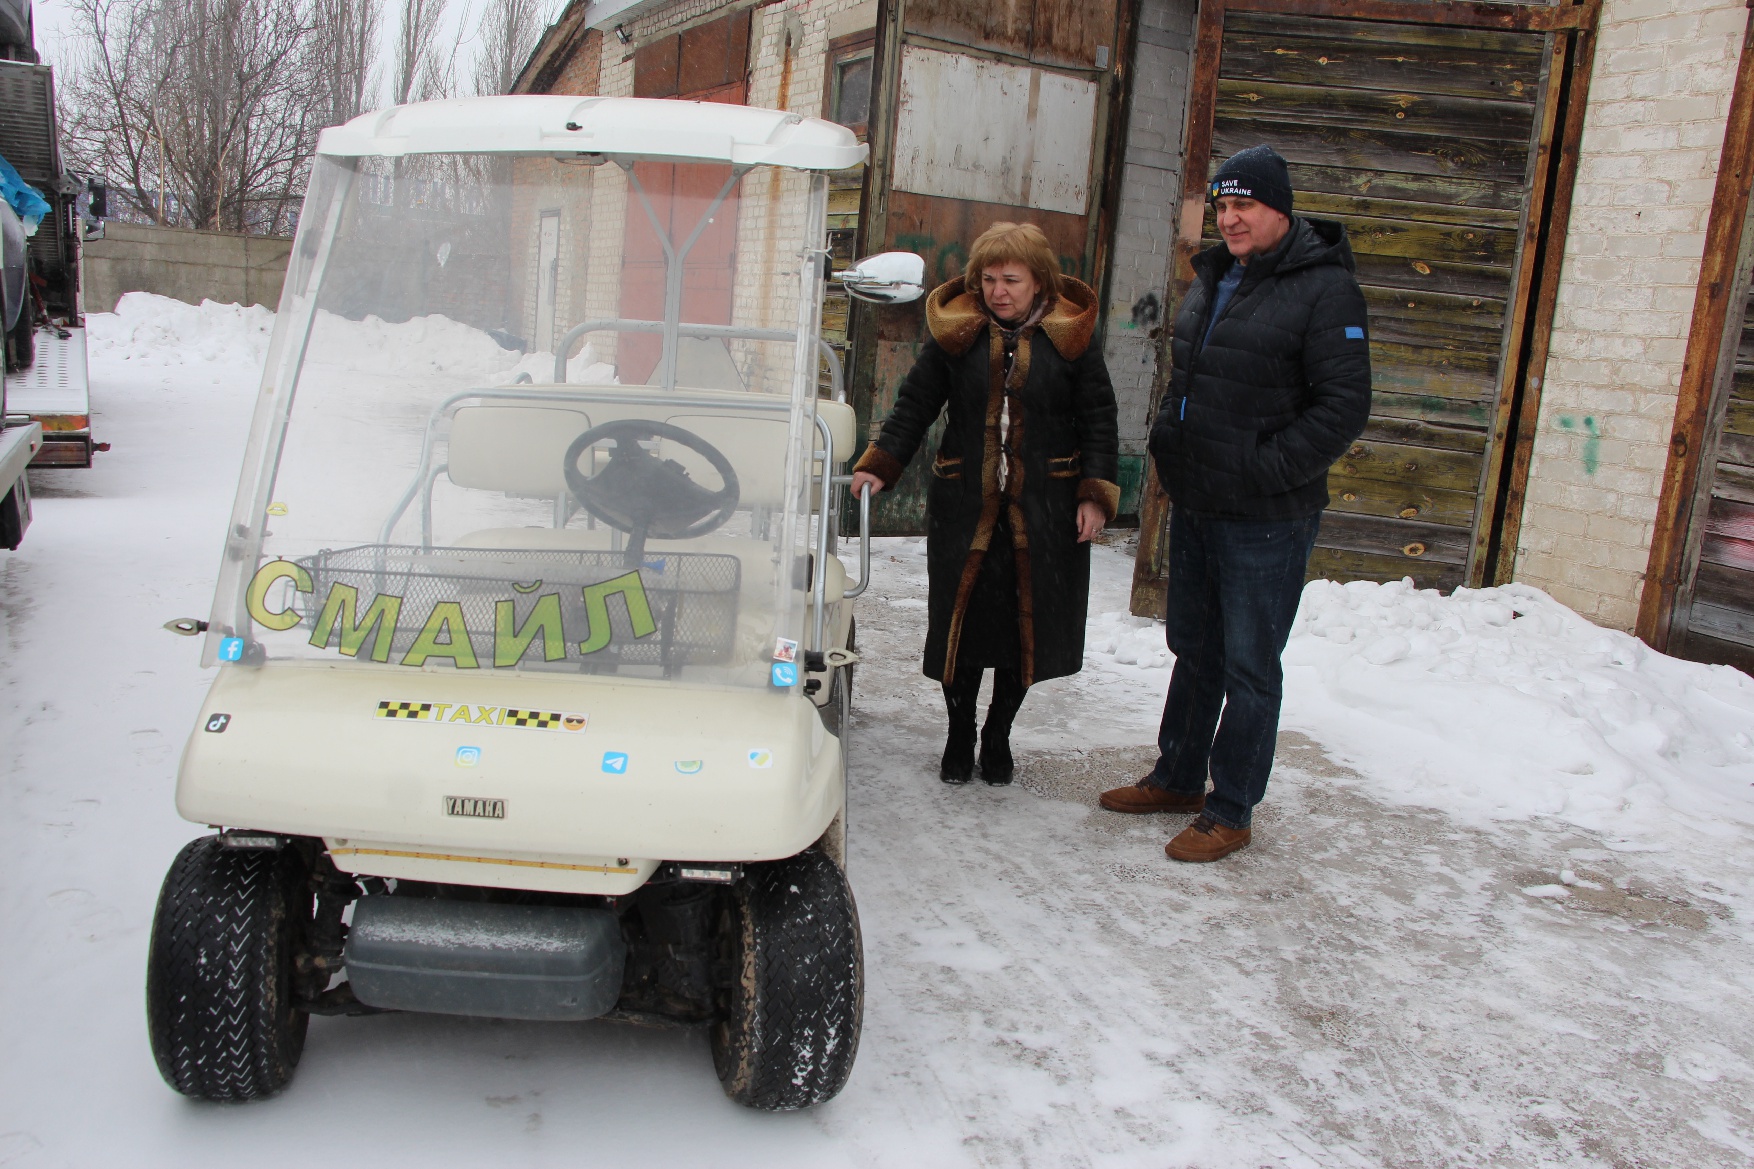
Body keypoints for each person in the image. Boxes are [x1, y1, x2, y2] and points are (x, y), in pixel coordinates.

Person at [1100, 145, 1371, 861]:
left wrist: (1262, 469)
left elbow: (1344, 406)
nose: (1230, 219)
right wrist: (1170, 442)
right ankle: (1178, 777)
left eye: (1244, 205)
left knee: (1251, 664)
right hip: (1200, 499)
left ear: (1280, 209)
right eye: (1222, 207)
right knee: (1195, 649)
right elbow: (1188, 378)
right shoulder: (1217, 276)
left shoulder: (1326, 290)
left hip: (1268, 515)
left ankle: (1231, 808)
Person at [850, 222, 1120, 786]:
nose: (998, 291)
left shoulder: (1071, 336)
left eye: (1011, 280)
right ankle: (959, 731)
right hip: (966, 505)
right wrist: (882, 463)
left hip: (1044, 509)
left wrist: (1095, 495)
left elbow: (1099, 419)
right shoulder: (959, 333)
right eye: (989, 279)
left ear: (1038, 280)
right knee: (962, 628)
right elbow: (915, 404)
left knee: (1025, 632)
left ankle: (998, 733)